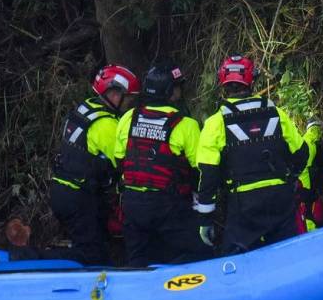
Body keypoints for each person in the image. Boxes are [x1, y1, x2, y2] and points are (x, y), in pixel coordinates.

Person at [194, 54, 316, 255]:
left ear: (223, 83)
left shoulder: (215, 123)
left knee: (237, 260)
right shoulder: (276, 113)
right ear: (252, 80)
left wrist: (205, 219)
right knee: (289, 256)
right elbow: (302, 155)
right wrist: (288, 179)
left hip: (243, 205)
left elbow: (208, 175)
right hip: (280, 200)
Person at [114, 62, 213, 267]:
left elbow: (119, 160)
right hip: (169, 205)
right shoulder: (186, 125)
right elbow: (200, 170)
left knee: (137, 261)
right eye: (177, 87)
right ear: (170, 91)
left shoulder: (128, 118)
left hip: (132, 204)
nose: (180, 91)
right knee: (196, 255)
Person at [47, 64, 140, 265]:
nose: (130, 105)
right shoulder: (106, 125)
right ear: (114, 94)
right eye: (129, 99)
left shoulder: (87, 107)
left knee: (98, 248)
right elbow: (127, 163)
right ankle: (34, 259)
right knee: (91, 254)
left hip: (65, 190)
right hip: (77, 196)